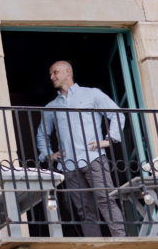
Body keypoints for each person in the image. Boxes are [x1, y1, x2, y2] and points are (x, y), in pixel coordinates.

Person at [35, 60, 127, 237]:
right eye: (51, 74)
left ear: (68, 72)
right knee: (84, 209)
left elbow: (116, 114)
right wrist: (48, 154)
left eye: (55, 72)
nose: (52, 77)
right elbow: (42, 134)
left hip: (93, 158)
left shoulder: (92, 94)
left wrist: (109, 140)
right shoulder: (51, 106)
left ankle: (121, 239)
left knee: (105, 199)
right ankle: (94, 245)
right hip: (69, 165)